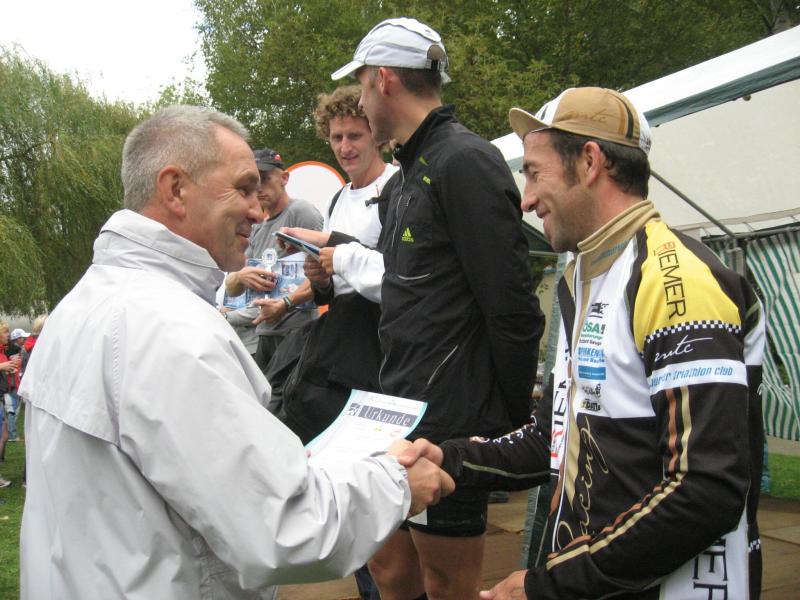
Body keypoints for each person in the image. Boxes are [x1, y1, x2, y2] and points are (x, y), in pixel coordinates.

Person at [18, 105, 454, 600]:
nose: (258, 211)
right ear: (175, 189)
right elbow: (282, 528)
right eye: (243, 188)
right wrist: (396, 483)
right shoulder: (170, 330)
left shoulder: (83, 304)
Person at [399, 87, 767, 600]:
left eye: (535, 173)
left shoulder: (676, 281)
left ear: (590, 162)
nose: (526, 199)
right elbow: (552, 438)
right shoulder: (583, 276)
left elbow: (705, 489)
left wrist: (547, 587)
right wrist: (447, 457)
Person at [287, 17, 545, 600]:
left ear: (384, 80)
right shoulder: (405, 175)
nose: (360, 103)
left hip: (449, 417)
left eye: (362, 86)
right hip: (394, 406)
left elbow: (512, 308)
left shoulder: (465, 161)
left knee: (447, 583)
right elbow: (403, 291)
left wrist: (500, 424)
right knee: (387, 567)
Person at [269, 84, 398, 444]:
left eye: (355, 136)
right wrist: (319, 277)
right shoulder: (336, 199)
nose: (345, 147)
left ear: (377, 136)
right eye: (336, 137)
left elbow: (399, 273)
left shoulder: (397, 188)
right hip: (341, 343)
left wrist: (330, 244)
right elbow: (331, 283)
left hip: (381, 346)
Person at [223, 147, 323, 372]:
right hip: (263, 333)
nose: (259, 188)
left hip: (297, 331)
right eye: (253, 181)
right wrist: (240, 276)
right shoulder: (256, 226)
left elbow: (322, 274)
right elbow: (232, 290)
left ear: (284, 178)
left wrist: (286, 303)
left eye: (265, 178)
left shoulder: (301, 211)